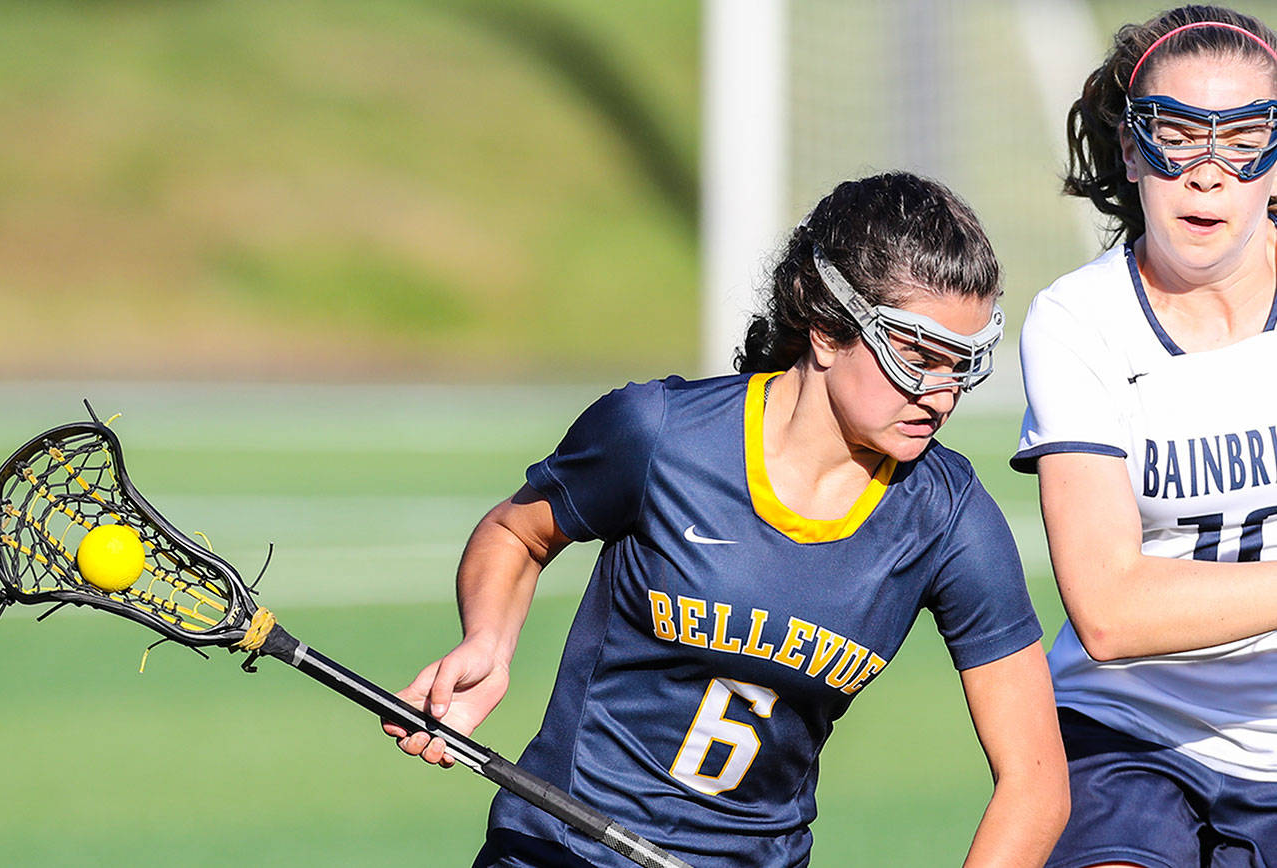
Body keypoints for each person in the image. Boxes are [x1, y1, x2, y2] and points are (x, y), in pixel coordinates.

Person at [387, 171, 1068, 867]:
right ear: (829, 329)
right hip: (561, 850)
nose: (942, 393)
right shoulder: (657, 435)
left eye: (962, 365)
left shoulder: (952, 520)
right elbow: (517, 532)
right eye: (917, 357)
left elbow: (1036, 784)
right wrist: (488, 645)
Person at [1012, 6, 1277, 867]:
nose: (1208, 175)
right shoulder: (1077, 321)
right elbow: (1110, 612)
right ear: (1130, 152)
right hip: (1128, 733)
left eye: (1242, 141)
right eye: (1175, 136)